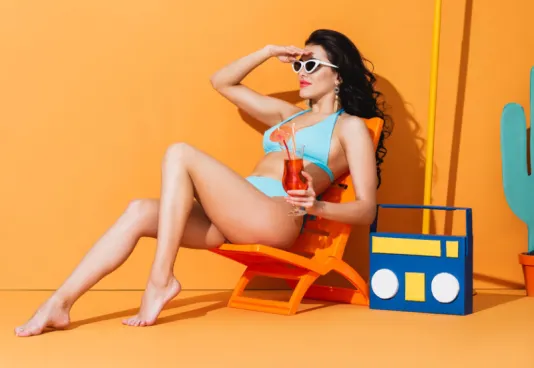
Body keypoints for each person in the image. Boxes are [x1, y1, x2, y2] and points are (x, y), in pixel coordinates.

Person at [14, 28, 391, 336]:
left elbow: (366, 209)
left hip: (275, 217)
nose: (301, 72)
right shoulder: (284, 115)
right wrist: (268, 50)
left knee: (180, 152)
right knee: (140, 210)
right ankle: (59, 303)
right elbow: (221, 82)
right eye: (298, 64)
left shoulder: (350, 128)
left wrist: (317, 206)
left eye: (311, 64)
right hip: (239, 213)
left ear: (338, 74)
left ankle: (160, 280)